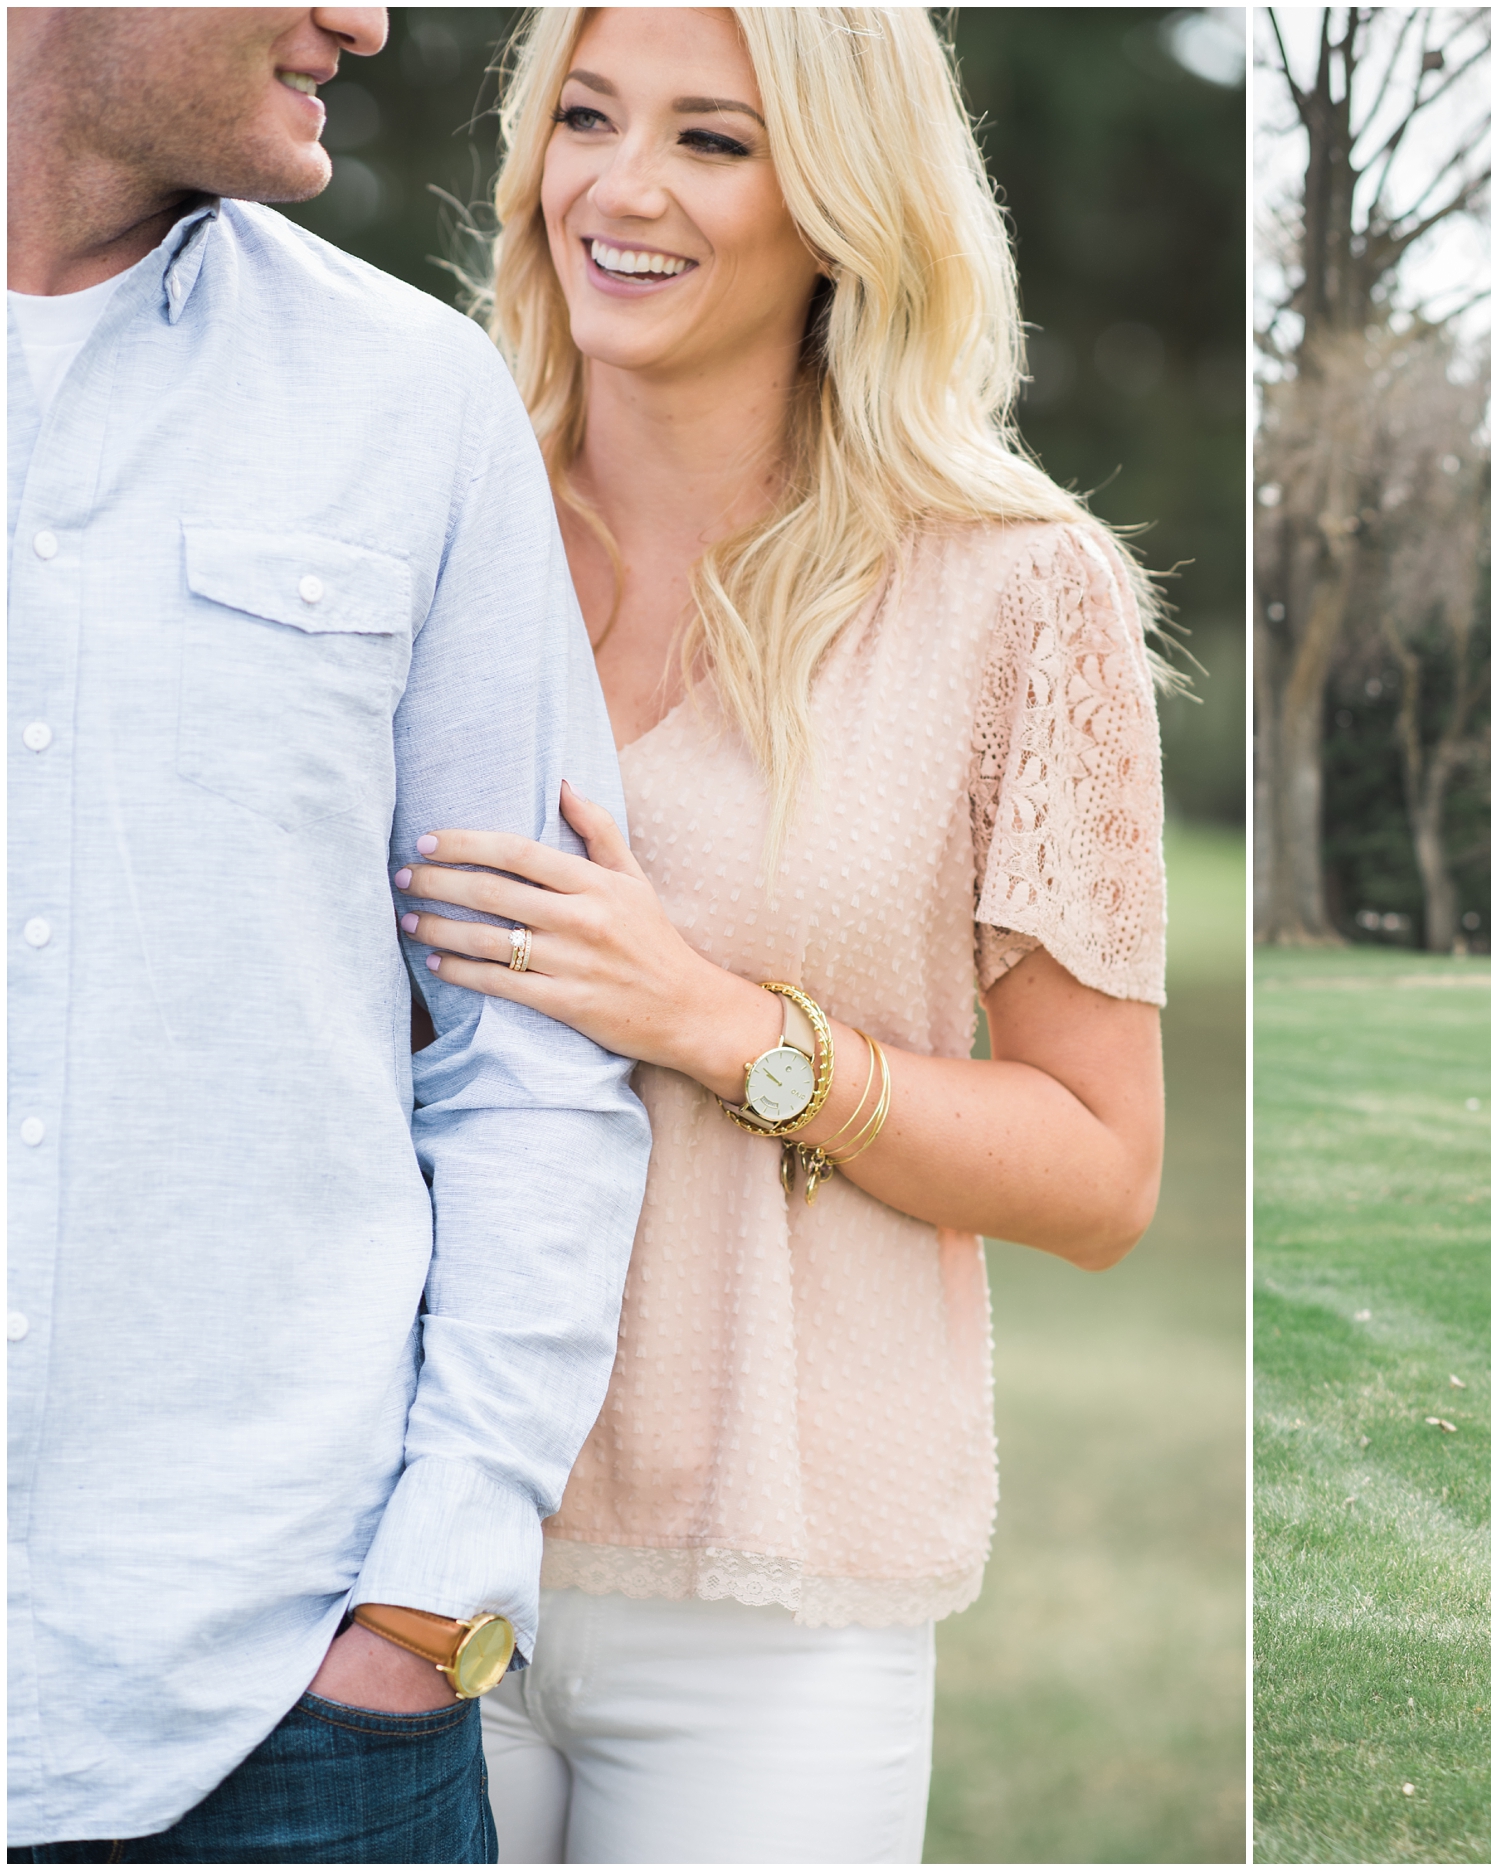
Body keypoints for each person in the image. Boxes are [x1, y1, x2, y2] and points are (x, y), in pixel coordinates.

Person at [383, 9, 1170, 1860]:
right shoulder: (417, 518)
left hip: (771, 1599)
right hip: (385, 1542)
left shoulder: (1013, 594)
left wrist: (726, 1024)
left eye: (712, 141)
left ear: (840, 199)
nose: (620, 189)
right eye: (585, 117)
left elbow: (1103, 1172)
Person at [6, 8, 652, 1864]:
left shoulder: (407, 398)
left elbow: (532, 1038)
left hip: (289, 1717)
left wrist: (434, 1585)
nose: (365, 18)